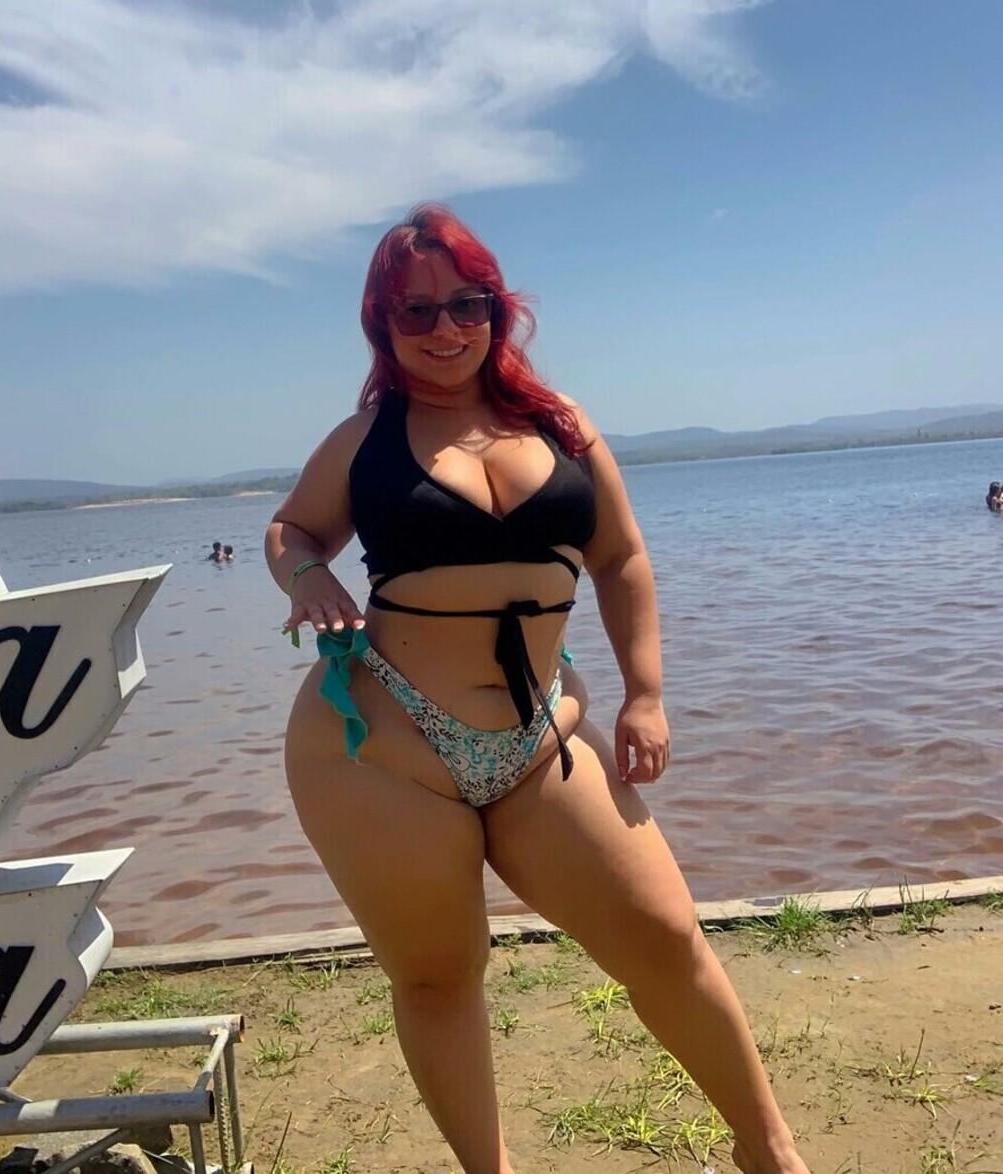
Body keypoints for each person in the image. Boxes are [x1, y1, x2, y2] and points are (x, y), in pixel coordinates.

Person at [264, 203, 811, 1174]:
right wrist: (307, 576)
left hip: (538, 739)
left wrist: (645, 694)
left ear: (496, 308)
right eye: (415, 310)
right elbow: (291, 530)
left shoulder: (561, 426)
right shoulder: (364, 441)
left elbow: (623, 558)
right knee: (439, 977)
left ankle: (769, 1152)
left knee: (665, 935)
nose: (444, 328)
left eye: (464, 304)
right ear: (383, 323)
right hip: (382, 747)